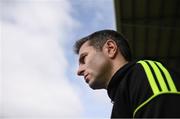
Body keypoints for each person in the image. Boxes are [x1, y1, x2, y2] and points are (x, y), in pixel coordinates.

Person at [73, 29, 180, 118]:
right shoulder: (120, 101)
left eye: (83, 58)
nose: (79, 71)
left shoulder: (144, 74)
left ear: (110, 48)